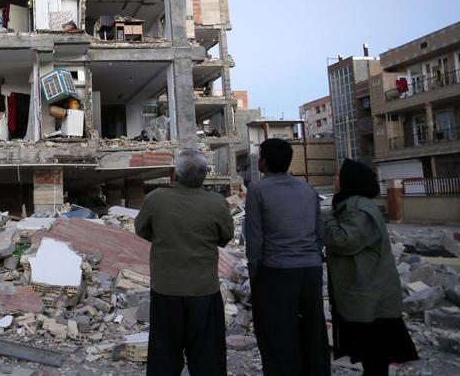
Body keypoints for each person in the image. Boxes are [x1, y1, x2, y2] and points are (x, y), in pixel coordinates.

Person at [134, 149, 234, 376]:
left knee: (164, 355)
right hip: (204, 291)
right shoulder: (217, 203)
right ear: (205, 175)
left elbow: (141, 230)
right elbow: (225, 237)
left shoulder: (155, 198)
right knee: (208, 357)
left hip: (166, 289)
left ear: (175, 174)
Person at [244, 138, 330, 376]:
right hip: (310, 270)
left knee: (277, 334)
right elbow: (319, 232)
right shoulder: (308, 189)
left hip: (276, 272)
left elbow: (255, 239)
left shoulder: (257, 190)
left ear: (265, 161)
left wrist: (255, 276)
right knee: (312, 330)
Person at [325, 159, 418, 375]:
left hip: (370, 295)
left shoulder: (358, 209)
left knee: (374, 354)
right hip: (368, 292)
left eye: (339, 175)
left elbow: (343, 240)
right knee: (371, 354)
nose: (334, 178)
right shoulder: (351, 205)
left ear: (350, 180)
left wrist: (326, 220)